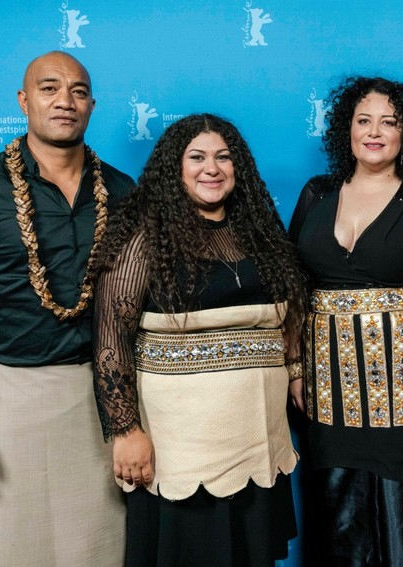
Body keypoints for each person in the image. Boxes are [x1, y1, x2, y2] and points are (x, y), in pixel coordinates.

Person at [0, 51, 133, 565]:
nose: (65, 100)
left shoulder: (124, 192)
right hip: (9, 398)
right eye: (49, 88)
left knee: (99, 547)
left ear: (92, 105)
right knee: (12, 547)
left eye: (78, 91)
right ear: (23, 100)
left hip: (102, 396)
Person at [92, 113, 306, 566]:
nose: (212, 168)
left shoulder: (260, 232)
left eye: (223, 157)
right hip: (182, 447)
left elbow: (288, 315)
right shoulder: (145, 237)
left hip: (258, 440)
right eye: (197, 157)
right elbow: (111, 335)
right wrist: (126, 430)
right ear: (175, 168)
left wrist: (297, 372)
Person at [289, 76, 403, 566]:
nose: (375, 132)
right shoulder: (315, 194)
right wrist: (296, 368)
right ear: (345, 130)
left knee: (401, 523)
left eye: (389, 122)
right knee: (336, 525)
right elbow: (293, 291)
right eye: (364, 120)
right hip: (329, 395)